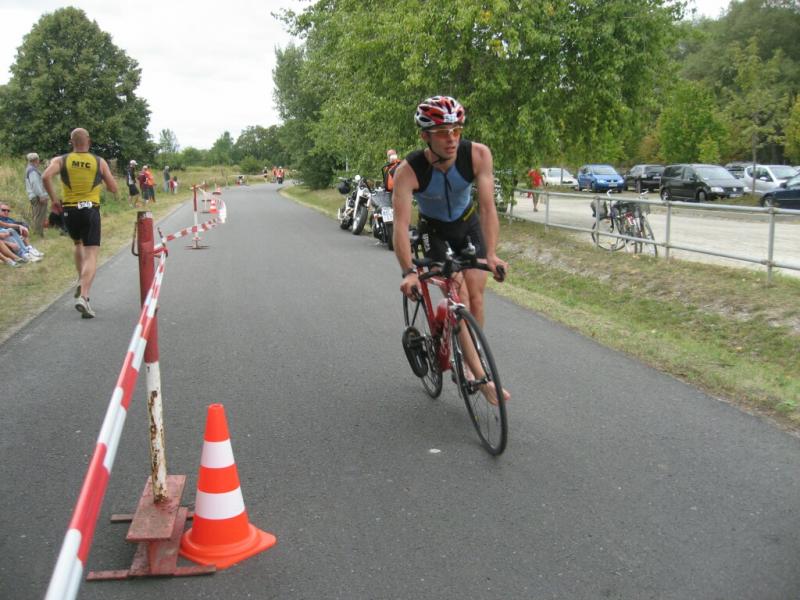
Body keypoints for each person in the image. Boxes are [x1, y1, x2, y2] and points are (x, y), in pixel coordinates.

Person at [392, 95, 510, 403]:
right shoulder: (409, 171)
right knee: (459, 296)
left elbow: (487, 208)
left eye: (456, 130)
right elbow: (401, 226)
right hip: (434, 232)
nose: (452, 138)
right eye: (443, 132)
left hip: (468, 225)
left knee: (476, 298)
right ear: (425, 136)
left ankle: (469, 364)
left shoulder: (478, 155)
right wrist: (408, 272)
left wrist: (492, 254)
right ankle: (482, 379)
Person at [42, 127, 118, 319]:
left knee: (78, 244)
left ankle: (80, 279)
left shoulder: (61, 160)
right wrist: (101, 181)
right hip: (90, 209)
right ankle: (83, 296)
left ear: (71, 142)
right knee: (91, 253)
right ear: (89, 141)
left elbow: (45, 176)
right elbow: (113, 188)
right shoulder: (99, 161)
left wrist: (54, 200)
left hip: (70, 211)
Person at [24, 153, 49, 237]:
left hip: (34, 196)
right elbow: (35, 184)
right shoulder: (32, 170)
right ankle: (38, 234)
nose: (39, 161)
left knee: (37, 215)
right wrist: (41, 195)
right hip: (37, 196)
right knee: (39, 216)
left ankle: (37, 233)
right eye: (38, 160)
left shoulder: (30, 169)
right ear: (36, 160)